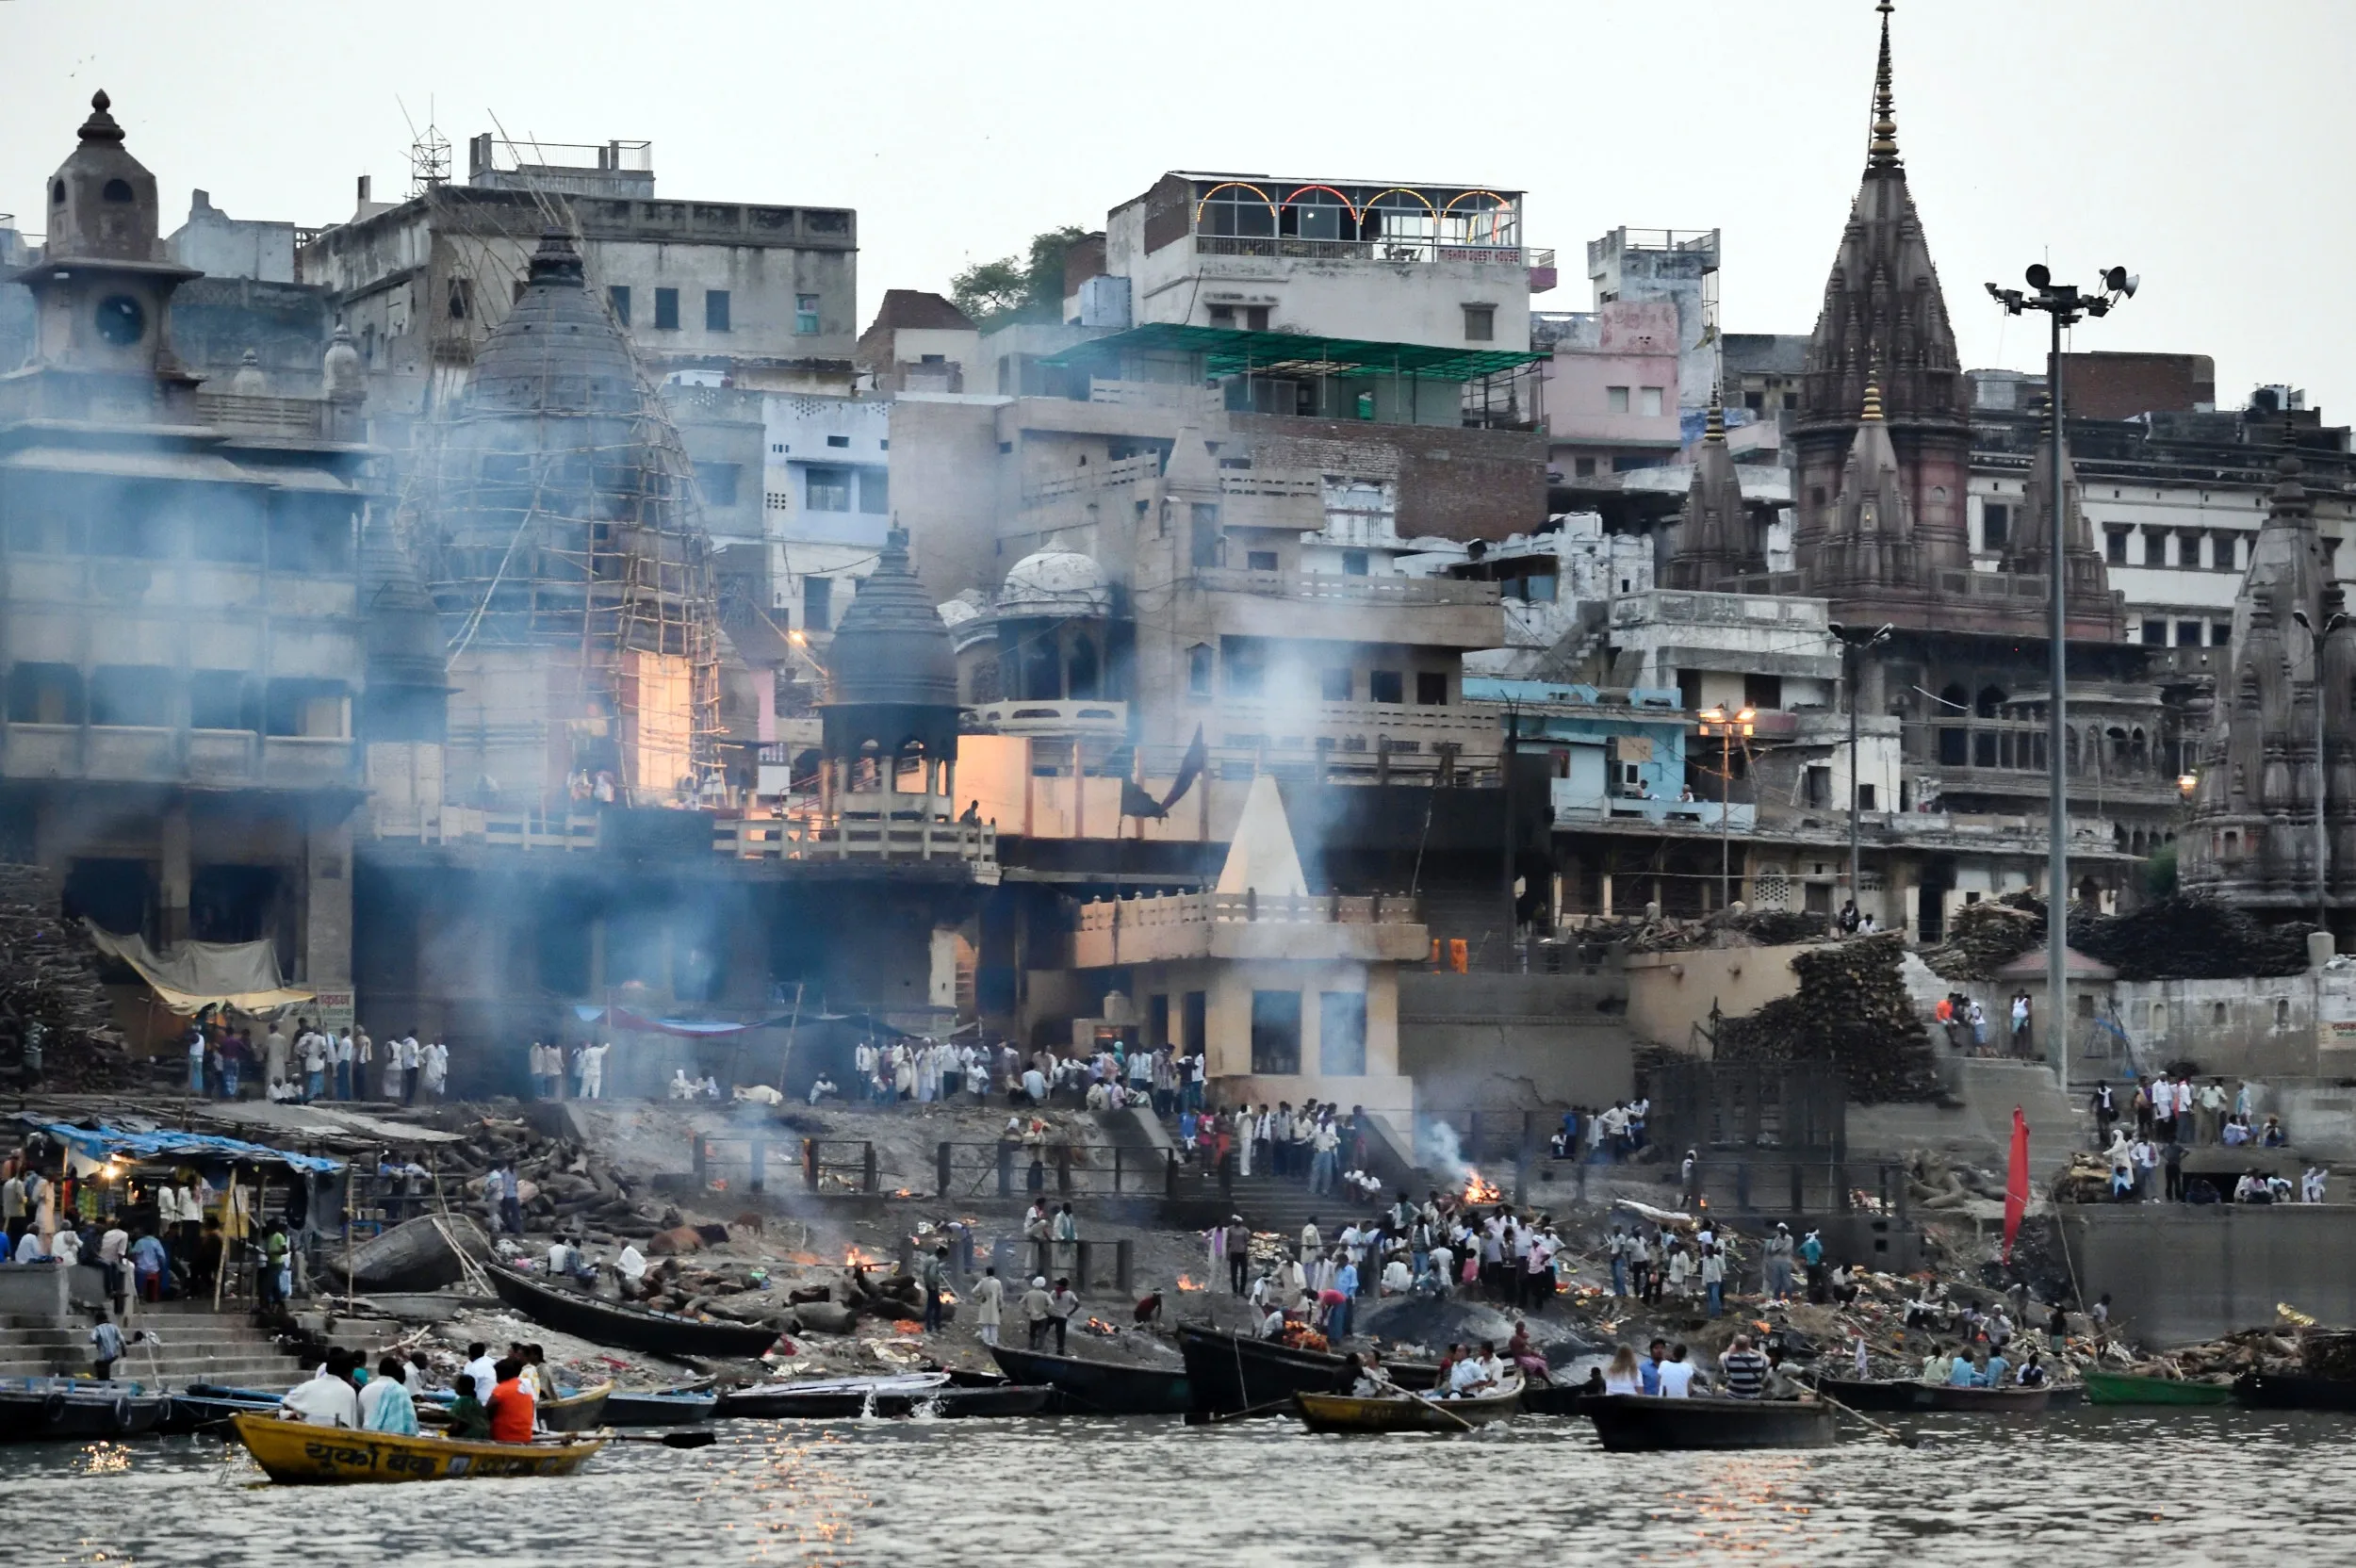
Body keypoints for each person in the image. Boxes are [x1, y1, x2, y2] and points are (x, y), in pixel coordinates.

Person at [282, 1354, 360, 1428]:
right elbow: (353, 1425)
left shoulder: (308, 1385)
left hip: (308, 1432)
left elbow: (286, 1401)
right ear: (348, 1374)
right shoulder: (349, 1391)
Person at [360, 1354, 419, 1434]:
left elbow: (360, 1419)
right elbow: (410, 1422)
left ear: (379, 1371)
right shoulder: (401, 1391)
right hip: (392, 1441)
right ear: (395, 1371)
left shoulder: (365, 1390)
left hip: (368, 1438)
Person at [485, 1357, 535, 1444]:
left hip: (504, 1437)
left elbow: (486, 1412)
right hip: (525, 1436)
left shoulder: (501, 1390)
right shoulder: (524, 1387)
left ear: (499, 1374)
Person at [1719, 1334, 1770, 1400]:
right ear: (1748, 1345)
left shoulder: (1730, 1359)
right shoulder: (1759, 1359)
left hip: (1733, 1396)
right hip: (1754, 1397)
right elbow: (1768, 1359)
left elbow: (1721, 1356)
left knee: (1719, 1393)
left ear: (1735, 1346)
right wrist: (1752, 1350)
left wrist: (1730, 1350)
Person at [89, 1307, 130, 1380]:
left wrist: (98, 1342)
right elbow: (122, 1340)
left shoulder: (98, 1328)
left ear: (98, 1320)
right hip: (114, 1355)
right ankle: (106, 1379)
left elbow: (92, 1339)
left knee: (98, 1364)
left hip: (103, 1356)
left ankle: (104, 1381)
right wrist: (124, 1350)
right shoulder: (114, 1327)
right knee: (104, 1365)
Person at [972, 1266, 1005, 1348]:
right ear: (994, 1273)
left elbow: (973, 1291)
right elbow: (1000, 1296)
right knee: (993, 1325)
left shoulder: (983, 1281)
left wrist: (981, 1296)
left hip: (985, 1303)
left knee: (985, 1324)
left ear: (986, 1272)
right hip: (994, 1305)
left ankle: (986, 1342)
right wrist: (1000, 1306)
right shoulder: (997, 1282)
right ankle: (994, 1343)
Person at [1020, 1276, 1055, 1350]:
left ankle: (1031, 1347)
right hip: (1043, 1317)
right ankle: (1040, 1349)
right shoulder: (1045, 1294)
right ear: (1043, 1284)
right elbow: (1052, 1304)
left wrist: (1026, 1311)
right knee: (1041, 1334)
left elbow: (1021, 1303)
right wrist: (1046, 1309)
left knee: (1032, 1333)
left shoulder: (1029, 1293)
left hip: (1033, 1317)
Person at [920, 1246, 948, 1333]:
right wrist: (939, 1279)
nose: (943, 1258)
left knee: (934, 1306)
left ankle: (934, 1325)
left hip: (928, 1284)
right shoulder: (934, 1261)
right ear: (941, 1254)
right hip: (932, 1286)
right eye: (943, 1256)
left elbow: (925, 1272)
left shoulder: (929, 1258)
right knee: (933, 1306)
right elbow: (933, 1274)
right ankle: (932, 1326)